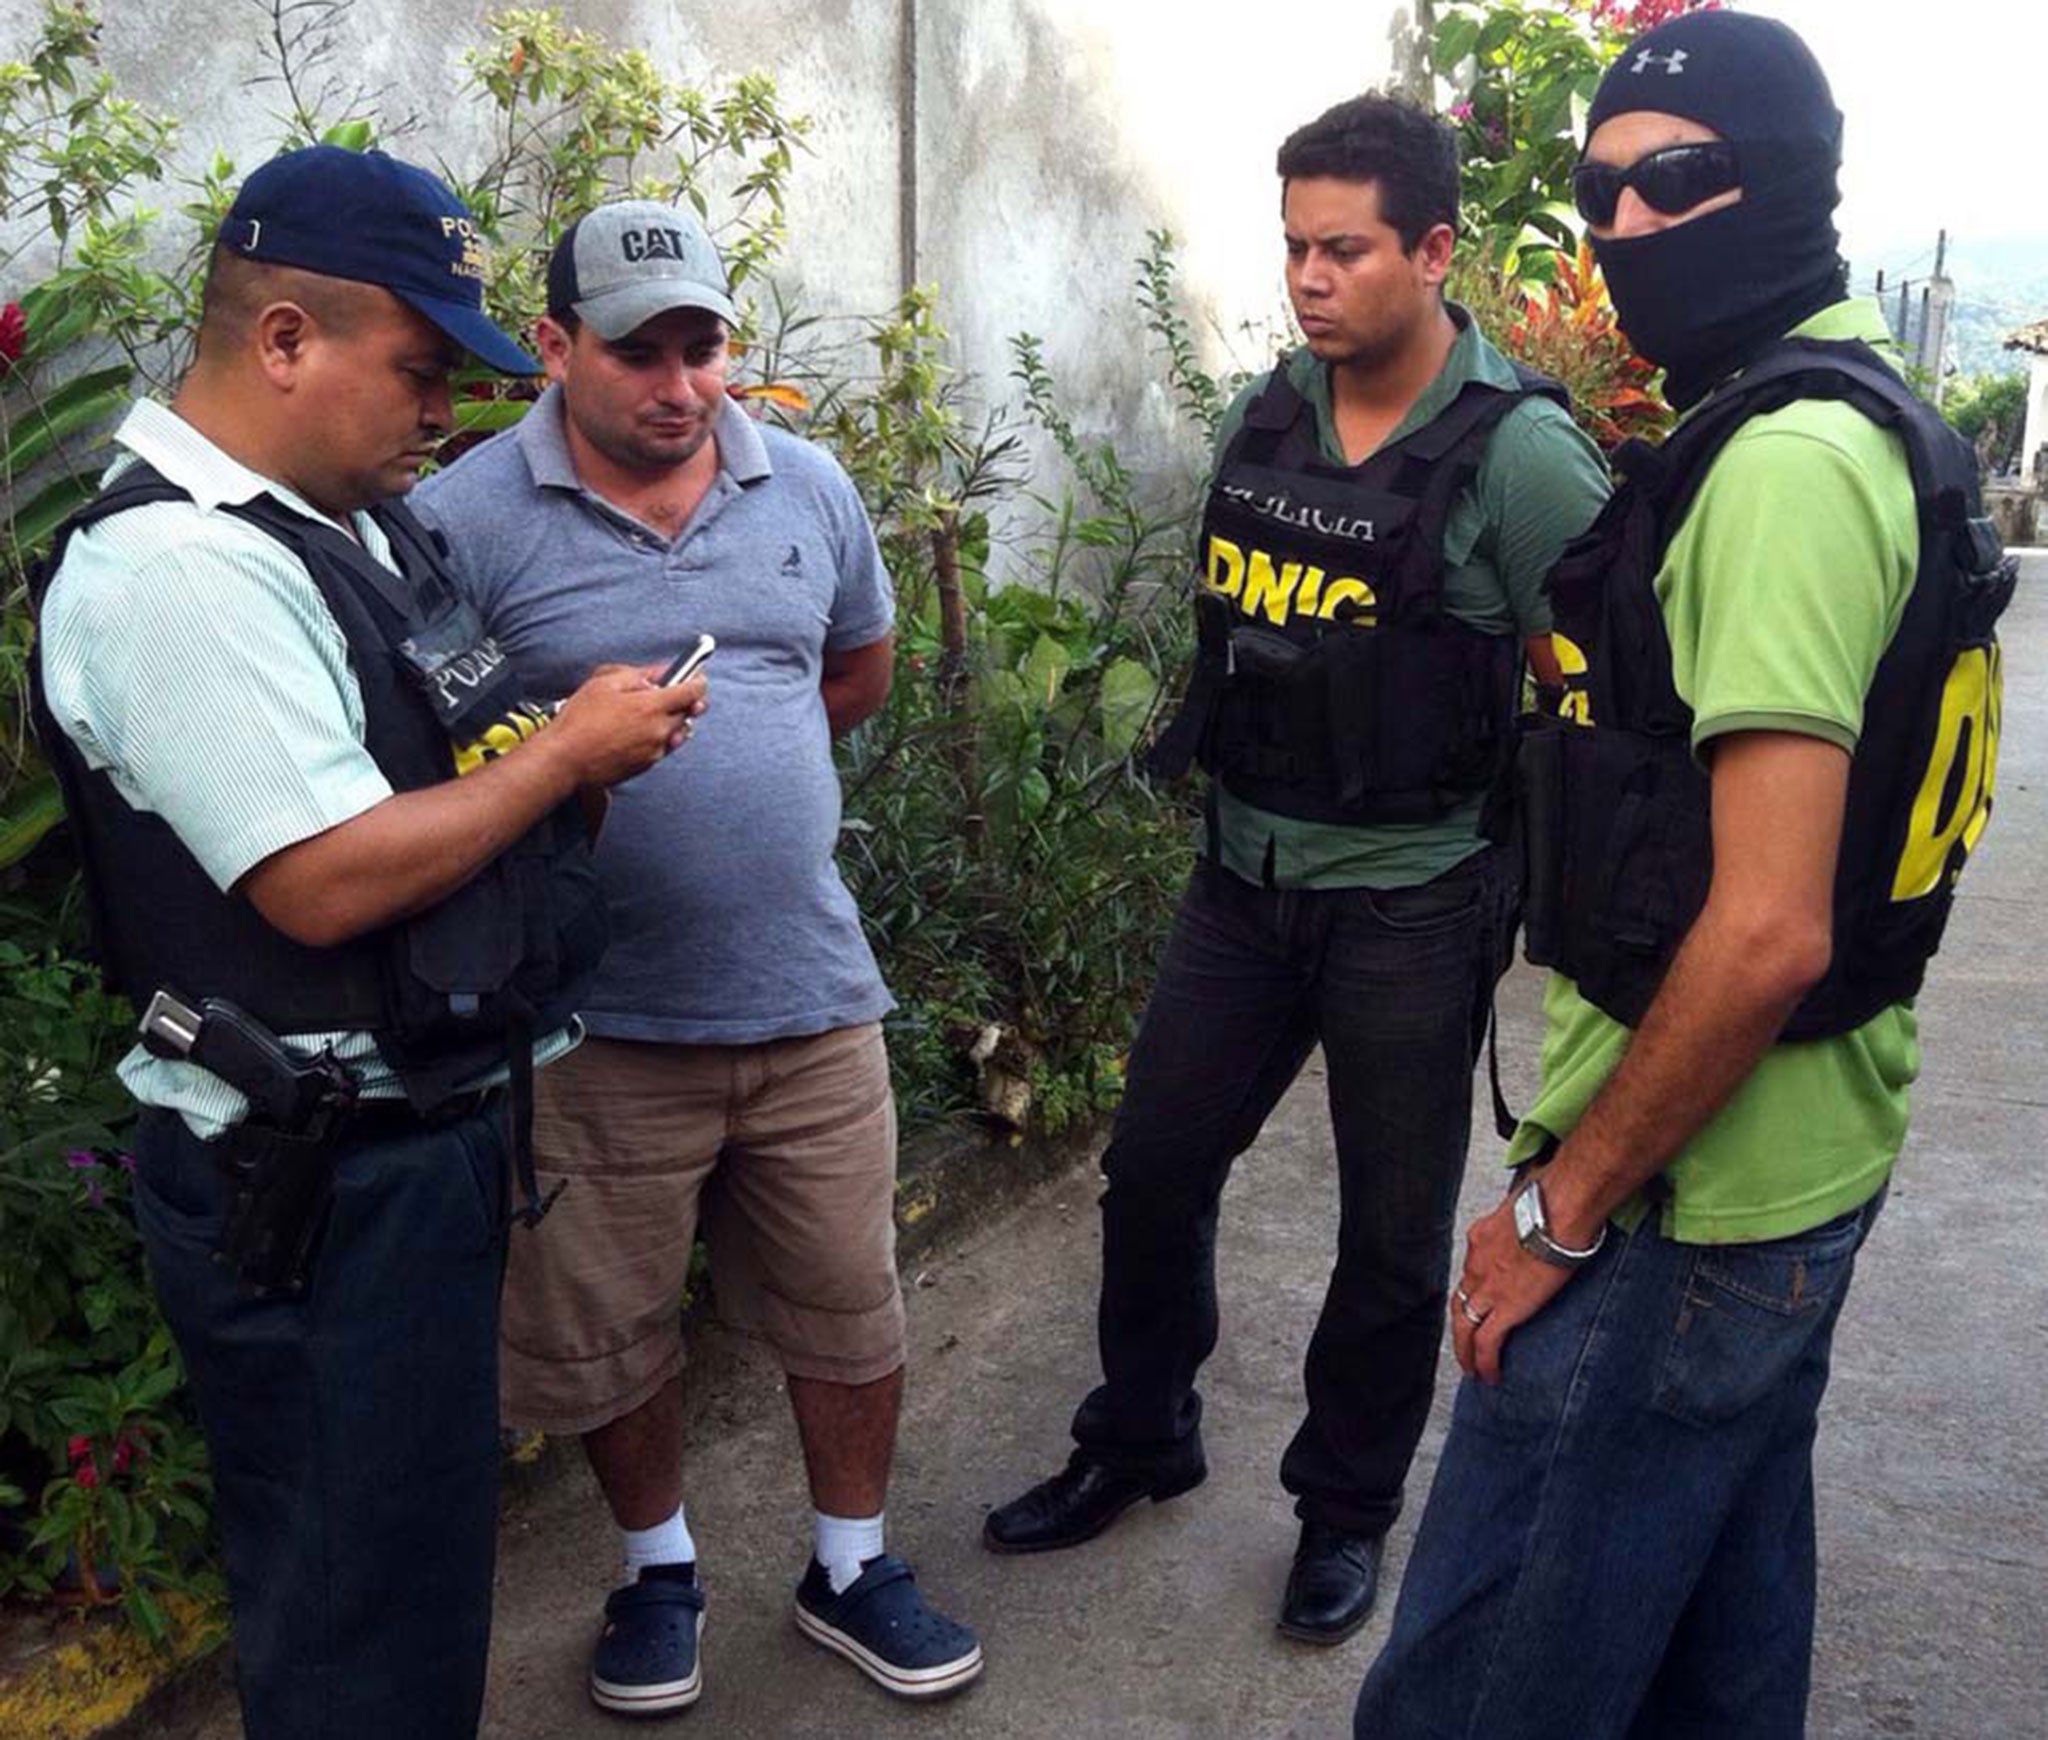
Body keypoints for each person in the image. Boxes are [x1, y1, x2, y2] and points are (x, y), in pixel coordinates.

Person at [1356, 13, 2011, 1737]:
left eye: (1682, 181)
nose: (1628, 231)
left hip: (1687, 1204)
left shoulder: (1789, 467)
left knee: (1472, 1694)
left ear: (1786, 180)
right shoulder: (1872, 419)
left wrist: (1558, 1212)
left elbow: (1772, 926)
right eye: (1601, 194)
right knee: (1711, 1672)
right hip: (1810, 1163)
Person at [30, 147, 705, 1740]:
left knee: (407, 1579)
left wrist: (556, 766)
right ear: (281, 340)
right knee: (353, 1617)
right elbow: (319, 881)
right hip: (322, 1181)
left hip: (420, 1139)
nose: (442, 417)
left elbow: (434, 762)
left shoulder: (345, 529)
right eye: (416, 371)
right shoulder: (183, 571)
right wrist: (562, 760)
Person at [981, 94, 1610, 1644]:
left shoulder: (1520, 455)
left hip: (1412, 902)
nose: (1309, 279)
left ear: (1435, 251)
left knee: (1389, 1243)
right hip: (1242, 885)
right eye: (1293, 248)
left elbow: (1609, 703)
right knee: (1151, 1177)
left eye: (1344, 250)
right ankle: (1140, 1434)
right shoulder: (1274, 409)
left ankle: (1345, 1512)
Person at [411, 199, 982, 1711]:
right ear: (552, 346)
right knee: (605, 1333)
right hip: (592, 1029)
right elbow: (428, 752)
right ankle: (657, 1565)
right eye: (639, 351)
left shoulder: (808, 488)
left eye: (704, 346)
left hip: (808, 996)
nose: (679, 384)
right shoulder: (463, 520)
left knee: (850, 1309)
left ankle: (849, 1563)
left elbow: (852, 669)